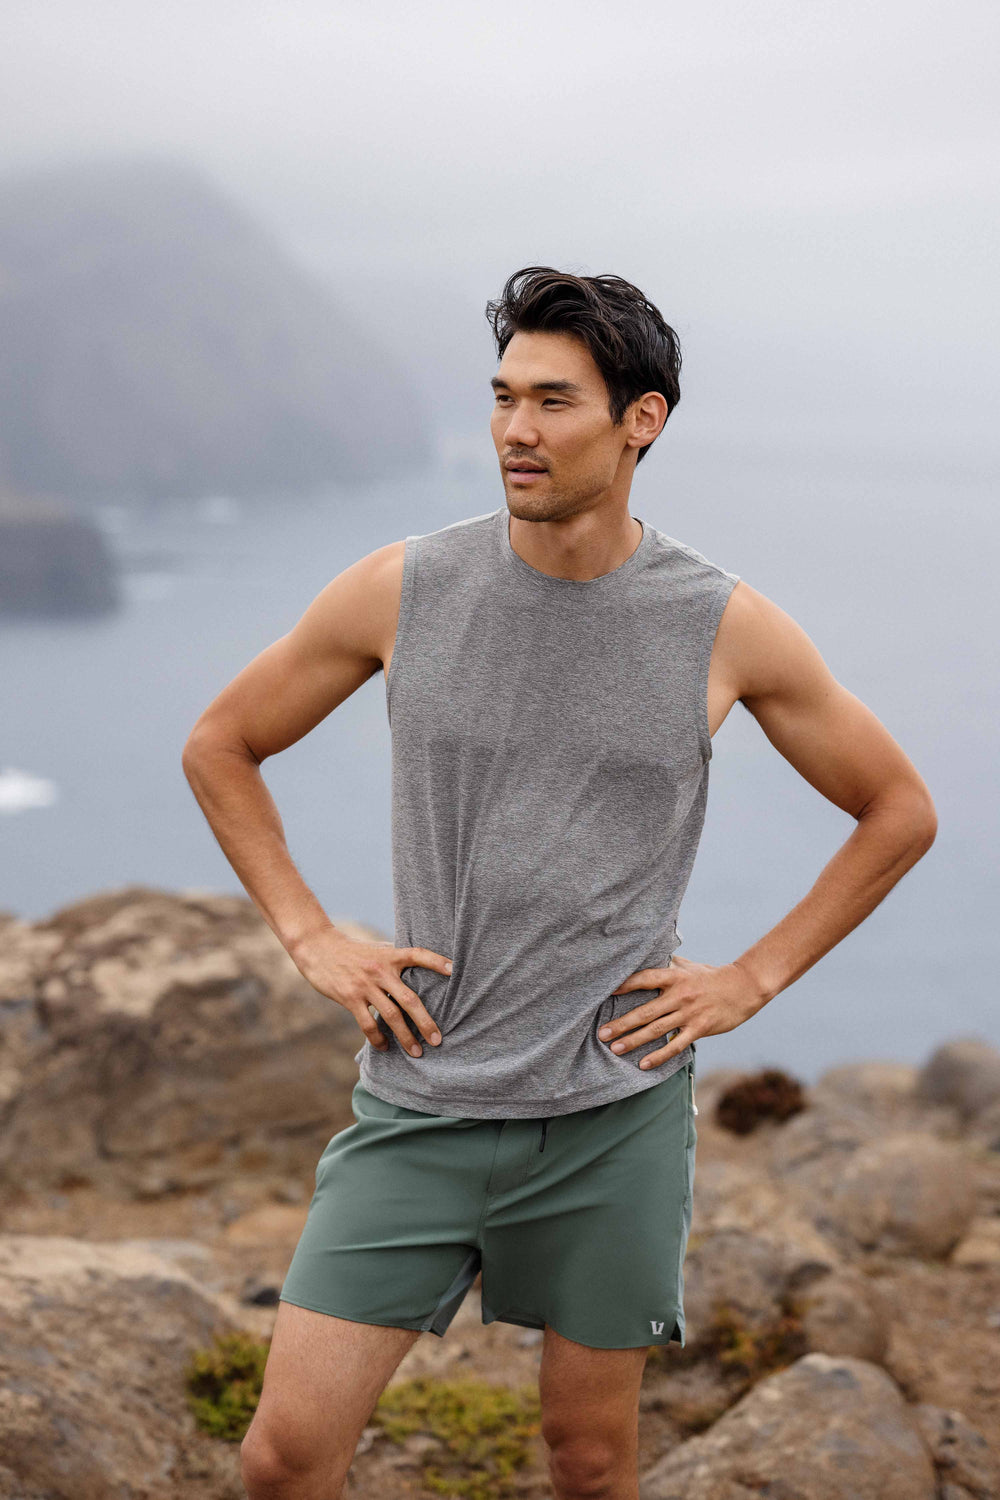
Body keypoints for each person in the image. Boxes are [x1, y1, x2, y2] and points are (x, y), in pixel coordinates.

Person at [182, 265, 937, 1500]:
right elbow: (222, 742)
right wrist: (309, 933)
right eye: (501, 398)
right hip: (422, 1094)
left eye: (553, 402)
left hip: (611, 1112)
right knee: (282, 1458)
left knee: (588, 1461)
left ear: (640, 420)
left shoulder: (721, 624)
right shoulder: (403, 588)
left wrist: (753, 976)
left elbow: (895, 809)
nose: (515, 432)